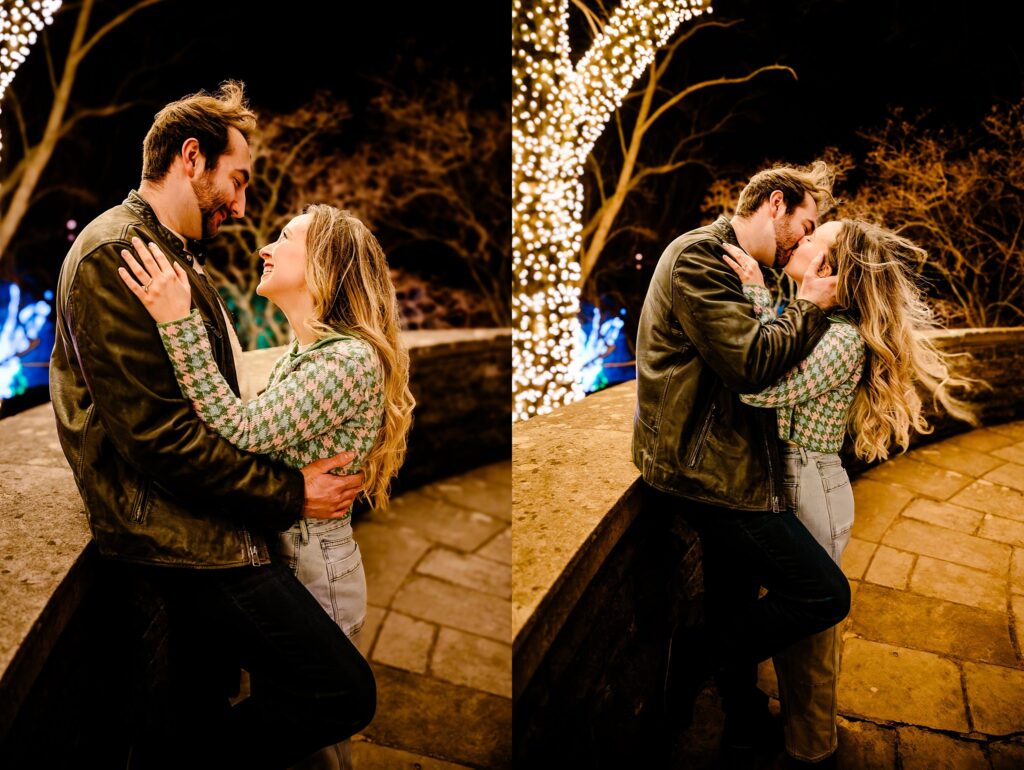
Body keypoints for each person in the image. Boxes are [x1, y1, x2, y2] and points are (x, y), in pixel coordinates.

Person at [49, 82, 375, 768]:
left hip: (209, 523)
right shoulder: (118, 252)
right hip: (177, 534)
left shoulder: (168, 254)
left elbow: (219, 410)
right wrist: (292, 494)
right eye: (239, 179)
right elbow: (161, 439)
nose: (242, 205)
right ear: (191, 157)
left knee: (211, 704)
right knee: (338, 691)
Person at [119, 204, 415, 770]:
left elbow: (243, 429)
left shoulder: (347, 361)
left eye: (284, 237)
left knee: (319, 737)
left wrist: (178, 323)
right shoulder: (309, 354)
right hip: (295, 550)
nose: (265, 247)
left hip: (316, 564)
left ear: (323, 265)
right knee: (296, 727)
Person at [721, 219, 977, 767]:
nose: (800, 241)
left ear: (833, 271)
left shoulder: (840, 338)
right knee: (801, 620)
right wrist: (774, 301)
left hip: (810, 484)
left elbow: (762, 389)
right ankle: (804, 735)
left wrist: (755, 296)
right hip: (800, 479)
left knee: (810, 633)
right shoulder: (823, 323)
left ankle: (812, 749)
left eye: (813, 240)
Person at [631, 161, 851, 762]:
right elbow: (753, 363)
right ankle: (698, 655)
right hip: (703, 468)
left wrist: (786, 300)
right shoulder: (699, 258)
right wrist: (808, 305)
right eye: (805, 225)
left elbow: (774, 347)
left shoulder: (752, 269)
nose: (806, 241)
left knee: (733, 597)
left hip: (735, 460)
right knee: (822, 594)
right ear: (775, 204)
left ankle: (743, 721)